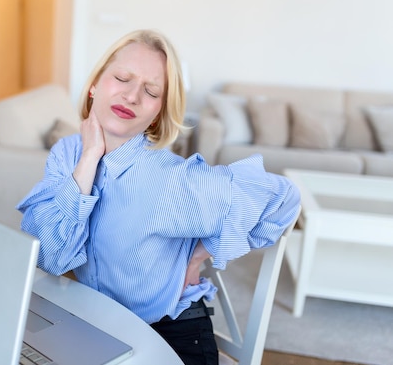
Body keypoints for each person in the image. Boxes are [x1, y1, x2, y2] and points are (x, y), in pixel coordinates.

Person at [16, 29, 301, 365]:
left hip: (170, 332)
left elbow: (284, 198)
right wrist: (90, 156)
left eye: (151, 91)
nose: (132, 96)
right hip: (99, 323)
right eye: (122, 78)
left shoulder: (170, 180)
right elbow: (49, 256)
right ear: (95, 84)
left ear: (158, 112)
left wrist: (196, 256)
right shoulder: (69, 153)